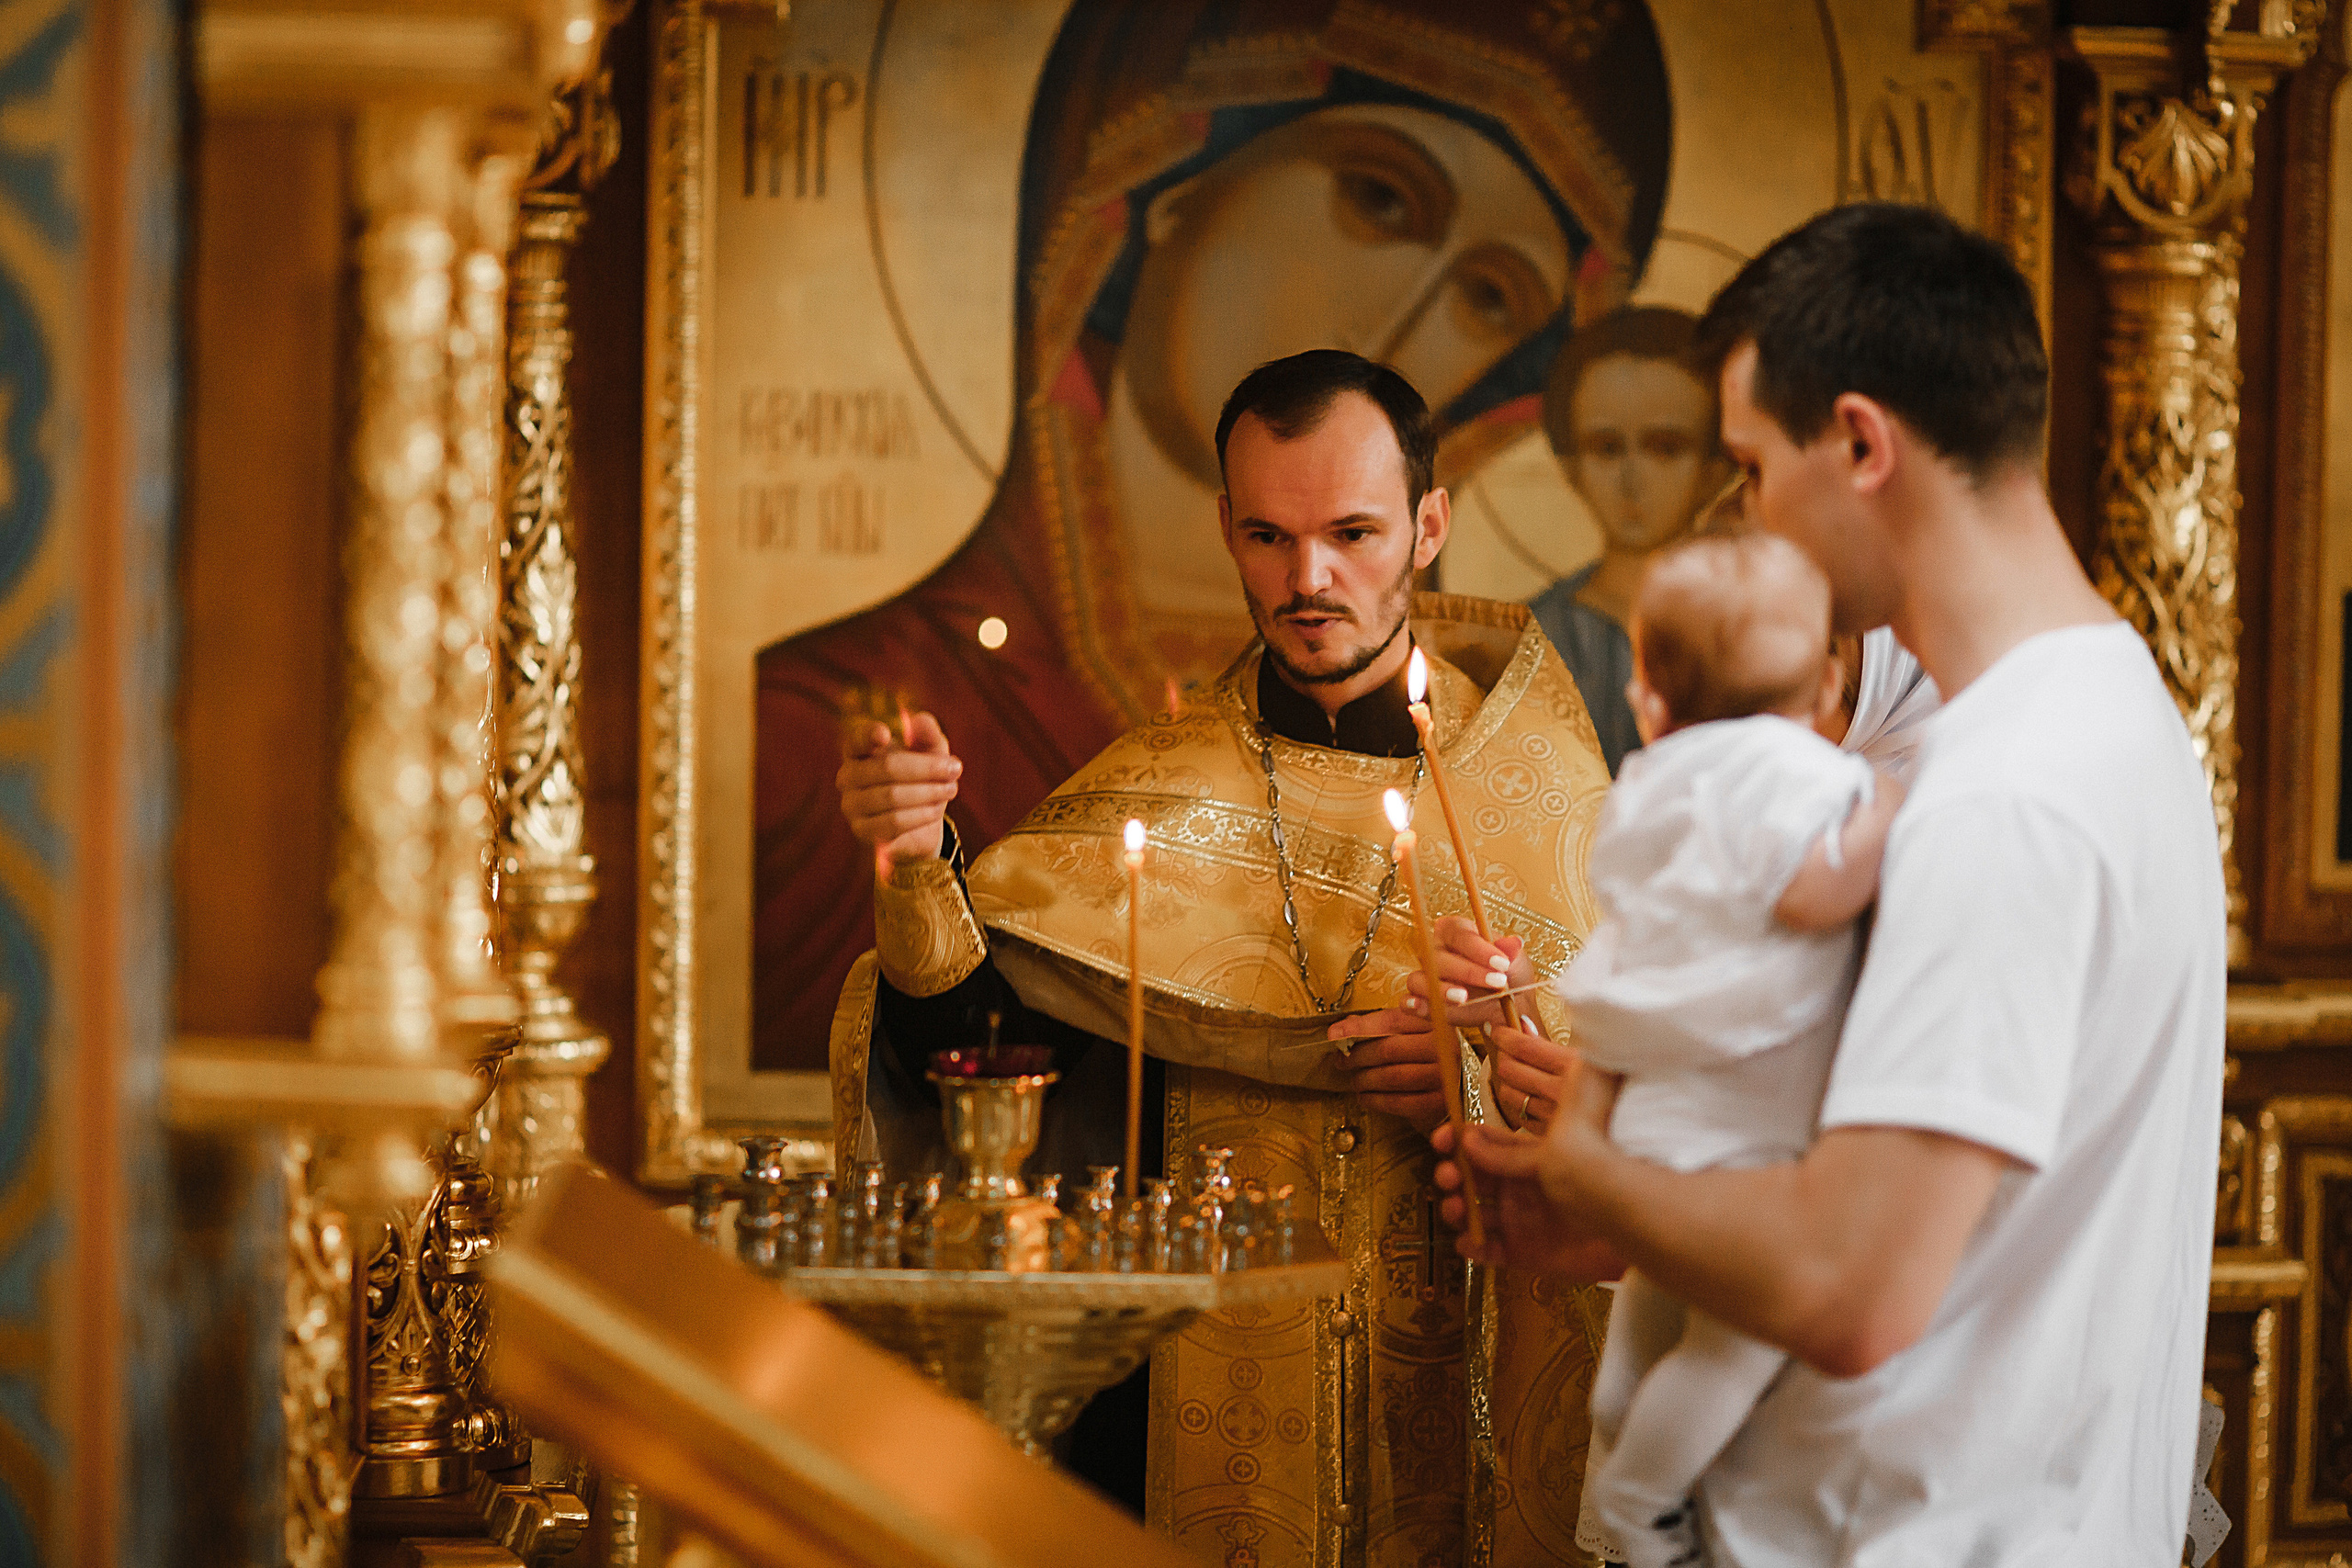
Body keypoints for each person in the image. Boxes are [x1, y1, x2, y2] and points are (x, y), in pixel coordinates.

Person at [1433, 202, 2227, 1564]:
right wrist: (1633, 1227)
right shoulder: (2109, 709)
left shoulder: (1997, 794)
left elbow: (1849, 1284)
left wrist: (1591, 1165)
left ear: (1860, 443)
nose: (1742, 511)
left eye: (1748, 463)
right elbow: (1959, 1232)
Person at [831, 350, 1614, 1565]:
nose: (1308, 578)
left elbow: (1679, 1107)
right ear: (1227, 529)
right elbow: (980, 1065)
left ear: (1429, 524)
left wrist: (1502, 1060)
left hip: (1469, 1399)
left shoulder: (1548, 787)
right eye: (1268, 535)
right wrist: (914, 857)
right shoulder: (1159, 789)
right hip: (1201, 1421)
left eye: (1353, 531)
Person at [1557, 530, 1900, 1566]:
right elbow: (1810, 894)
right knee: (1737, 1344)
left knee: (1654, 1315)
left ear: (1648, 696)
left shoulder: (1647, 782)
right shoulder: (1806, 778)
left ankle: (1617, 1424)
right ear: (1828, 681)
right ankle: (1640, 1501)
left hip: (1652, 1118)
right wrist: (1892, 810)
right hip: (1749, 1121)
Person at [1526, 307, 1733, 774]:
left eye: (1665, 448)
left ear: (1714, 468)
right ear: (1571, 468)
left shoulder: (1752, 623)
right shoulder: (1532, 637)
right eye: (1606, 448)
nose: (1632, 479)